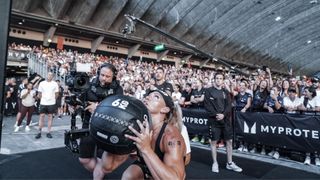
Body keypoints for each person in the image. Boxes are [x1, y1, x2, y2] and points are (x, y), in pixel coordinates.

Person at [93, 90, 186, 179]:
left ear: (165, 109)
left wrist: (146, 149)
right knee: (129, 176)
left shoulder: (171, 137)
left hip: (168, 172)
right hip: (147, 164)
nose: (148, 97)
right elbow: (107, 167)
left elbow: (176, 178)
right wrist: (111, 132)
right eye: (149, 95)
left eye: (156, 97)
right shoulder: (136, 127)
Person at [77, 63, 123, 174]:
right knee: (83, 159)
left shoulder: (118, 89)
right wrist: (76, 104)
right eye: (102, 75)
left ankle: (99, 174)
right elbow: (81, 102)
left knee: (102, 160)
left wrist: (97, 107)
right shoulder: (89, 84)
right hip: (88, 124)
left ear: (114, 77)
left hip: (107, 128)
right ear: (98, 73)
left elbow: (117, 109)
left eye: (108, 76)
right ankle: (100, 172)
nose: (104, 78)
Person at [204, 72, 242, 173]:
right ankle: (215, 163)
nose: (218, 80)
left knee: (229, 141)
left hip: (225, 121)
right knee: (213, 142)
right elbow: (207, 106)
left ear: (223, 80)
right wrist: (217, 115)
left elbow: (229, 105)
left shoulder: (225, 91)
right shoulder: (208, 91)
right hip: (214, 121)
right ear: (214, 79)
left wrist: (223, 115)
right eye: (217, 78)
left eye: (220, 78)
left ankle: (229, 163)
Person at [35, 72, 59, 139]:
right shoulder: (42, 83)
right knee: (41, 117)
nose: (50, 76)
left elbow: (57, 93)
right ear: (46, 75)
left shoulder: (55, 84)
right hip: (43, 103)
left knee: (50, 117)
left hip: (51, 103)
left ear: (53, 76)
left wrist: (52, 100)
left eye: (51, 75)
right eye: (48, 75)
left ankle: (48, 132)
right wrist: (43, 99)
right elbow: (39, 93)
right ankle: (39, 132)